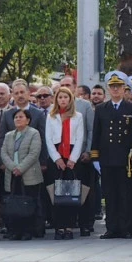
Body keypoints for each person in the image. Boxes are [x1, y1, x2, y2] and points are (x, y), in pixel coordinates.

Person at [89, 71, 132, 239]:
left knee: (125, 195)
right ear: (108, 89)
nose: (115, 90)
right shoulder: (101, 109)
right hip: (107, 158)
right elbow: (97, 134)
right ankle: (111, 227)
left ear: (124, 89)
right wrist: (95, 157)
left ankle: (125, 227)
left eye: (118, 87)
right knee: (110, 194)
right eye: (112, 87)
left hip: (126, 159)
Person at [46, 85, 84, 240]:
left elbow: (80, 137)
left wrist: (73, 159)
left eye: (65, 97)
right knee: (57, 195)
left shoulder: (78, 116)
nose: (63, 100)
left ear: (70, 99)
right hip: (56, 155)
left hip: (72, 155)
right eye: (60, 97)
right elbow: (48, 138)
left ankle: (69, 226)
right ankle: (58, 226)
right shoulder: (51, 116)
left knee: (70, 194)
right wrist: (57, 158)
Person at [0, 108, 43, 240]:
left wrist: (21, 168)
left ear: (28, 120)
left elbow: (34, 153)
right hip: (12, 175)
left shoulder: (33, 133)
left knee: (28, 203)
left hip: (29, 174)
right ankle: (15, 231)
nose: (18, 119)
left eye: (21, 117)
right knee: (13, 203)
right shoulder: (9, 135)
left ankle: (28, 231)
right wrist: (13, 167)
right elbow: (4, 153)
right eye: (16, 117)